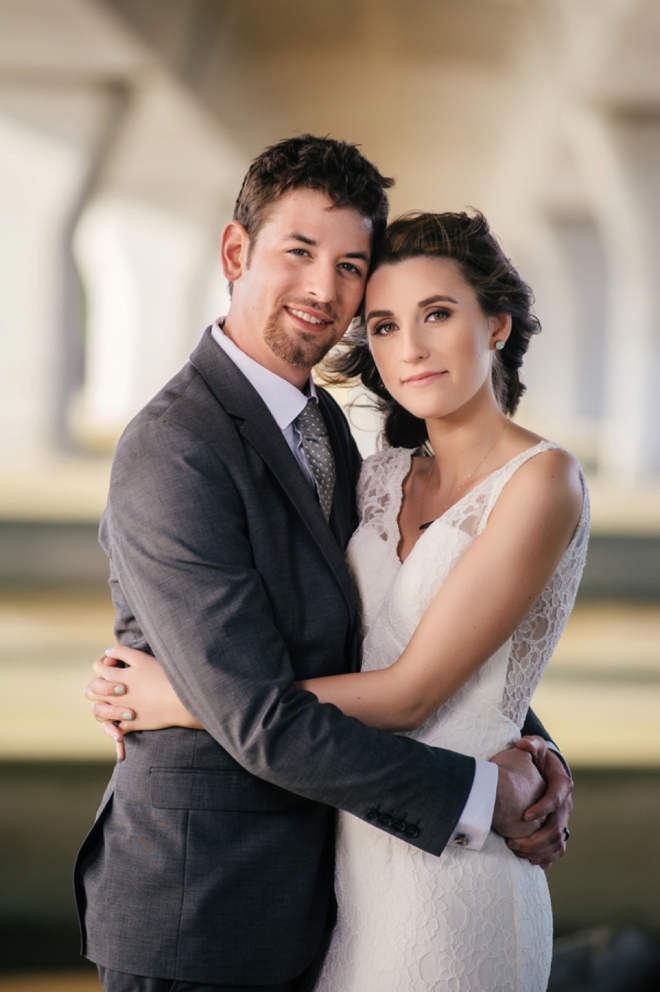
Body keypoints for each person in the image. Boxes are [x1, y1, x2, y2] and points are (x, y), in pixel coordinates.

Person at [79, 136, 573, 992]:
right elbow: (257, 718)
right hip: (205, 906)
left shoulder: (336, 439)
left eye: (350, 266)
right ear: (237, 253)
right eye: (298, 253)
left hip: (334, 891)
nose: (323, 290)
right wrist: (477, 796)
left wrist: (534, 747)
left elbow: (401, 635)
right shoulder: (174, 449)